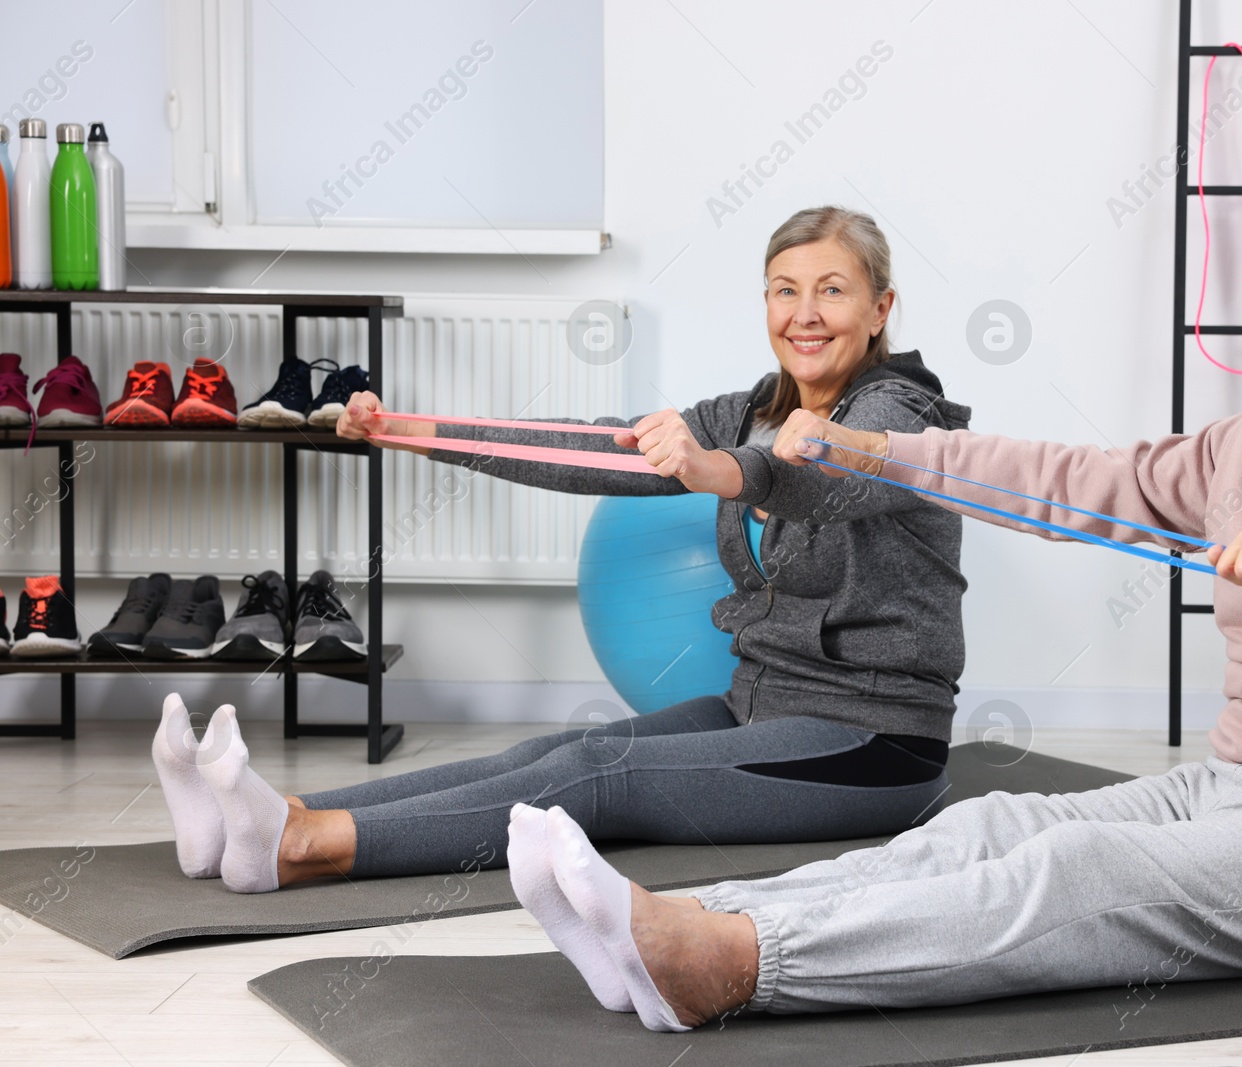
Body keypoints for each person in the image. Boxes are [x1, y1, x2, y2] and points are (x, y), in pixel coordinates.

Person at [501, 168, 1242, 1031]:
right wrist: (884, 448)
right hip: (1241, 781)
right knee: (988, 825)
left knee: (1079, 867)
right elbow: (1066, 478)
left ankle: (734, 963)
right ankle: (685, 921)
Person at [149, 206, 971, 898]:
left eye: (833, 291)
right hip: (759, 701)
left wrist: (718, 469)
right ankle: (262, 814)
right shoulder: (754, 408)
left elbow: (827, 473)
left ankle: (304, 847)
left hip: (873, 743)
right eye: (786, 291)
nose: (806, 313)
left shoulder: (906, 414)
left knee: (598, 776)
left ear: (879, 308)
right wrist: (419, 432)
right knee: (549, 752)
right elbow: (600, 451)